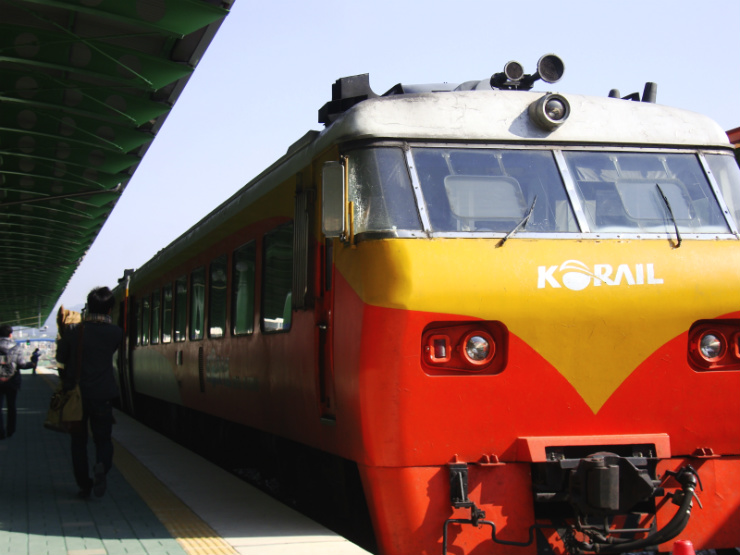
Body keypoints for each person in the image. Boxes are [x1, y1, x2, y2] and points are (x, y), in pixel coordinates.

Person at [56, 287, 122, 499]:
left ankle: (84, 485)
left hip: (77, 396)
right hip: (103, 395)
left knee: (78, 442)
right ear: (110, 309)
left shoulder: (73, 331)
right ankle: (102, 465)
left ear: (89, 306)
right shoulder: (116, 333)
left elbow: (61, 358)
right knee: (103, 439)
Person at [0, 324, 34, 439]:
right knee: (11, 406)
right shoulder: (16, 347)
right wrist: (31, 365)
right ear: (10, 335)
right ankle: (10, 430)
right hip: (12, 380)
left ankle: (0, 432)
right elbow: (22, 364)